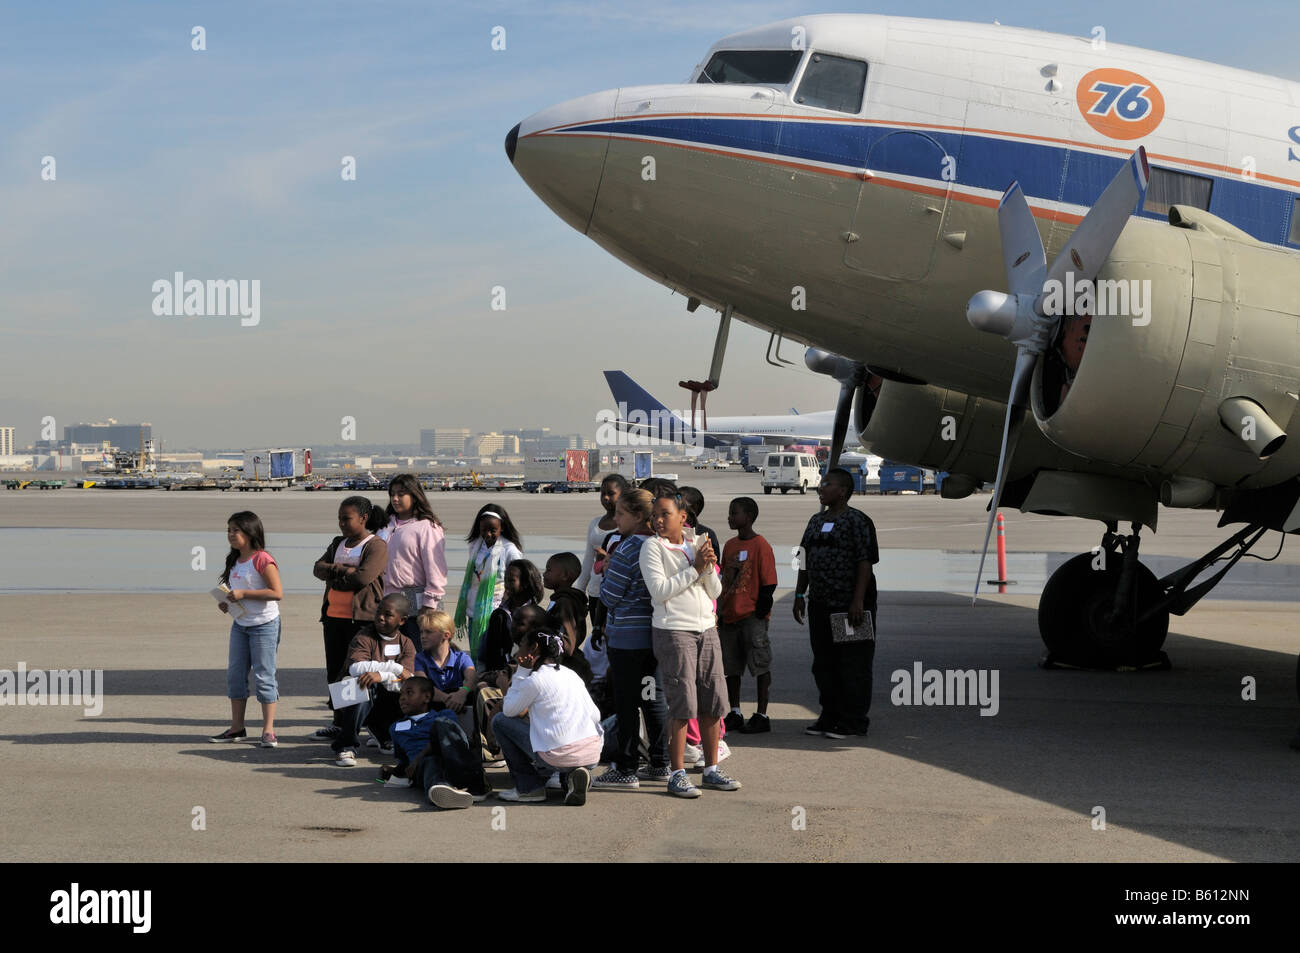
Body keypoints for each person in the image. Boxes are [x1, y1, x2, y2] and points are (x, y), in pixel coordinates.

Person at [641, 492, 741, 798]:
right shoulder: (651, 547)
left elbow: (715, 591)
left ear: (683, 517)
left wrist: (707, 566)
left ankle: (711, 769)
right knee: (682, 704)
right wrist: (695, 568)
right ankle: (678, 773)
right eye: (655, 515)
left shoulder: (696, 543)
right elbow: (659, 592)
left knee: (713, 701)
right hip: (674, 631)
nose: (657, 520)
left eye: (664, 514)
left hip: (706, 628)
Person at [592, 488, 671, 790]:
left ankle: (625, 769)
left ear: (638, 516)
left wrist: (609, 569)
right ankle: (661, 762)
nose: (615, 519)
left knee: (626, 703)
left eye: (621, 514)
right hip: (652, 637)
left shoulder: (627, 549)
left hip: (626, 641)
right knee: (652, 698)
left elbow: (609, 597)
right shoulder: (659, 545)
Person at [793, 467, 880, 740]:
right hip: (820, 602)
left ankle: (853, 721)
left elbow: (865, 561)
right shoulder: (816, 521)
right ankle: (829, 715)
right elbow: (803, 558)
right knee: (824, 663)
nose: (821, 487)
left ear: (842, 491)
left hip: (848, 606)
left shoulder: (858, 521)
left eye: (827, 484)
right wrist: (799, 594)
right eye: (822, 483)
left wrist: (858, 601)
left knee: (852, 663)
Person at [492, 629, 604, 806]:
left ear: (533, 648)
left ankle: (529, 788)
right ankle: (575, 778)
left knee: (499, 722)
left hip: (556, 756)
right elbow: (595, 715)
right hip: (592, 753)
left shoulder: (535, 679)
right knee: (568, 745)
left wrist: (520, 672)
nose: (517, 651)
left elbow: (508, 711)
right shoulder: (571, 674)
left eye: (521, 645)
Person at [311, 496, 388, 741]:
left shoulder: (375, 545)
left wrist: (334, 572)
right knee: (335, 673)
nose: (342, 523)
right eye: (340, 519)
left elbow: (363, 578)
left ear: (363, 518)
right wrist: (343, 571)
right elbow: (317, 568)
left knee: (356, 672)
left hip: (361, 620)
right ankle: (339, 722)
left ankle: (361, 727)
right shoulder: (337, 543)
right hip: (333, 617)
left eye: (347, 518)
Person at [211, 511, 284, 748]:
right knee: (235, 676)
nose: (231, 535)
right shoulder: (234, 560)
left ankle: (268, 730)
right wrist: (228, 603)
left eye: (236, 530)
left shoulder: (262, 559)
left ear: (250, 532)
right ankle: (237, 728)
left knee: (264, 676)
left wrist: (244, 594)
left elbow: (276, 593)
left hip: (264, 625)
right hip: (241, 624)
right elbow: (236, 590)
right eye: (229, 530)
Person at [330, 594, 417, 767]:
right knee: (362, 683)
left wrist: (385, 674)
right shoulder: (364, 636)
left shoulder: (406, 643)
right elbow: (355, 668)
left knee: (408, 690)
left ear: (402, 620)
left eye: (388, 614)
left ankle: (382, 732)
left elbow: (409, 677)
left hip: (384, 700)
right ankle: (346, 746)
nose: (380, 617)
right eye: (378, 612)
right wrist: (394, 669)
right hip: (346, 699)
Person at [381, 676, 487, 809]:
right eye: (401, 694)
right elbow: (404, 760)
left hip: (453, 762)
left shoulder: (444, 715)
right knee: (431, 761)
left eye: (409, 692)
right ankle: (442, 793)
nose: (402, 697)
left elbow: (455, 741)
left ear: (426, 697)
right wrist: (393, 771)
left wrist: (419, 758)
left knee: (440, 725)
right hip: (424, 770)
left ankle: (474, 785)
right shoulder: (395, 727)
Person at [719, 496, 778, 733]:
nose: (730, 517)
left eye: (735, 513)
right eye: (730, 513)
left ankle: (762, 714)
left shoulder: (760, 545)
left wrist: (760, 614)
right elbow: (723, 579)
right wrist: (722, 610)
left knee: (760, 664)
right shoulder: (730, 545)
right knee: (731, 667)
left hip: (751, 616)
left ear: (749, 517)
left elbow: (769, 583)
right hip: (730, 615)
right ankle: (735, 711)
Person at [475, 603, 547, 763]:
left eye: (520, 624)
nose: (512, 627)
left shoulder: (534, 658)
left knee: (486, 695)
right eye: (513, 621)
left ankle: (496, 751)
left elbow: (518, 705)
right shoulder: (522, 650)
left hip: (546, 737)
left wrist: (499, 686)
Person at [454, 504, 524, 662]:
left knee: (492, 655)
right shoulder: (475, 546)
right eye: (484, 529)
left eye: (493, 530)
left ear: (502, 528)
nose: (487, 534)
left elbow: (520, 579)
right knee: (476, 653)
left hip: (496, 612)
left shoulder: (510, 550)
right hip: (474, 611)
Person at [576, 474, 628, 687]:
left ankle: (613, 679)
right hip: (595, 592)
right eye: (602, 493)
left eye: (611, 493)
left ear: (622, 495)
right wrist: (579, 590)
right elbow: (588, 560)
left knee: (612, 639)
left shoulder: (625, 524)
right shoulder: (595, 523)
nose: (606, 498)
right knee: (598, 639)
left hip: (615, 592)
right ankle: (602, 681)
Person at [383, 474, 448, 641]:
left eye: (401, 494)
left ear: (414, 495)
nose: (395, 499)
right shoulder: (386, 525)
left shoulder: (427, 527)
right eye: (392, 494)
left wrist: (429, 604)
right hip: (389, 602)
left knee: (421, 657)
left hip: (418, 603)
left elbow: (435, 567)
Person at [479, 558, 543, 672]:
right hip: (500, 672)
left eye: (511, 580)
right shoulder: (499, 615)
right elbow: (492, 652)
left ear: (525, 584)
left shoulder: (536, 614)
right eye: (505, 580)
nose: (507, 585)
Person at [412, 608, 478, 712]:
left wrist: (462, 693)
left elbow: (472, 678)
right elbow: (423, 686)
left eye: (428, 632)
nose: (423, 636)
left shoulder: (461, 658)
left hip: (459, 708)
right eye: (421, 632)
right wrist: (449, 699)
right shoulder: (420, 659)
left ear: (446, 635)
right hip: (434, 710)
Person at [543, 552, 592, 683]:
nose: (544, 574)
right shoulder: (560, 599)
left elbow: (567, 643)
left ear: (565, 576)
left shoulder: (564, 602)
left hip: (563, 665)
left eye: (549, 570)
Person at [679, 485, 721, 557]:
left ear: (694, 508)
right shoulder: (669, 532)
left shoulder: (706, 534)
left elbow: (714, 565)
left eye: (680, 505)